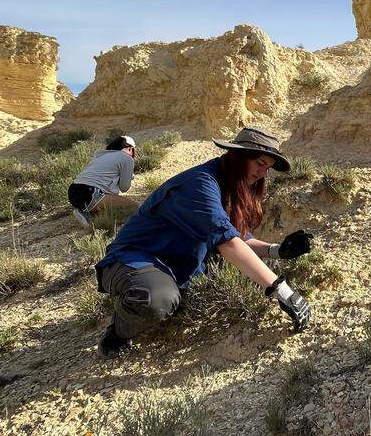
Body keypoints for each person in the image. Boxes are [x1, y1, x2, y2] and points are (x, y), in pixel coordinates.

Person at [92, 126, 314, 358]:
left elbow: (238, 237)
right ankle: (117, 332)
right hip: (132, 261)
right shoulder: (200, 183)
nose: (262, 173)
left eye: (267, 167)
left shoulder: (229, 184)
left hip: (177, 268)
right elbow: (228, 243)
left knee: (180, 302)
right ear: (239, 157)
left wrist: (277, 250)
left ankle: (161, 293)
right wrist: (284, 291)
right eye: (259, 163)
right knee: (157, 299)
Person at [68, 135, 139, 227]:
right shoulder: (127, 158)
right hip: (90, 192)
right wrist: (129, 177)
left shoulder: (100, 156)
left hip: (73, 191)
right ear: (130, 149)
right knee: (134, 207)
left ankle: (86, 211)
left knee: (112, 203)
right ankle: (89, 217)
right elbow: (124, 188)